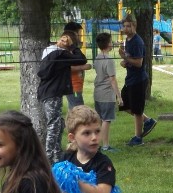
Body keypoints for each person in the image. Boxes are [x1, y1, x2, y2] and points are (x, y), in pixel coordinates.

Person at [37, 29, 88, 163]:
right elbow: (81, 59)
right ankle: (48, 158)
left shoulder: (49, 51)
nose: (64, 41)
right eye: (64, 40)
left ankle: (56, 154)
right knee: (54, 124)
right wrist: (73, 46)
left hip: (50, 92)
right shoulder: (60, 53)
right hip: (51, 93)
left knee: (58, 123)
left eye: (66, 40)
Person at [118, 15, 157, 146]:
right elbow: (131, 59)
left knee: (137, 110)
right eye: (124, 26)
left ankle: (138, 138)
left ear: (134, 26)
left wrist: (125, 58)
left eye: (128, 26)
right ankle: (148, 121)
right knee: (123, 104)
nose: (126, 28)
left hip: (139, 80)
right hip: (130, 79)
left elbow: (139, 62)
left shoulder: (137, 41)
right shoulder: (127, 40)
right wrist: (124, 61)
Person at [92, 32, 122, 151]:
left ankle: (97, 144)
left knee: (99, 119)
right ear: (107, 44)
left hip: (97, 93)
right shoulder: (109, 60)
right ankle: (105, 145)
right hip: (106, 94)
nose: (112, 43)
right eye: (111, 41)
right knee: (106, 119)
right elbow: (112, 79)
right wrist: (119, 96)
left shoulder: (97, 57)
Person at [64, 21, 91, 110]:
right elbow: (65, 67)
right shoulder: (67, 49)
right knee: (79, 111)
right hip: (73, 86)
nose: (80, 36)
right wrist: (83, 67)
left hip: (76, 86)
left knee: (73, 110)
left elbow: (82, 59)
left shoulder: (74, 49)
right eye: (78, 34)